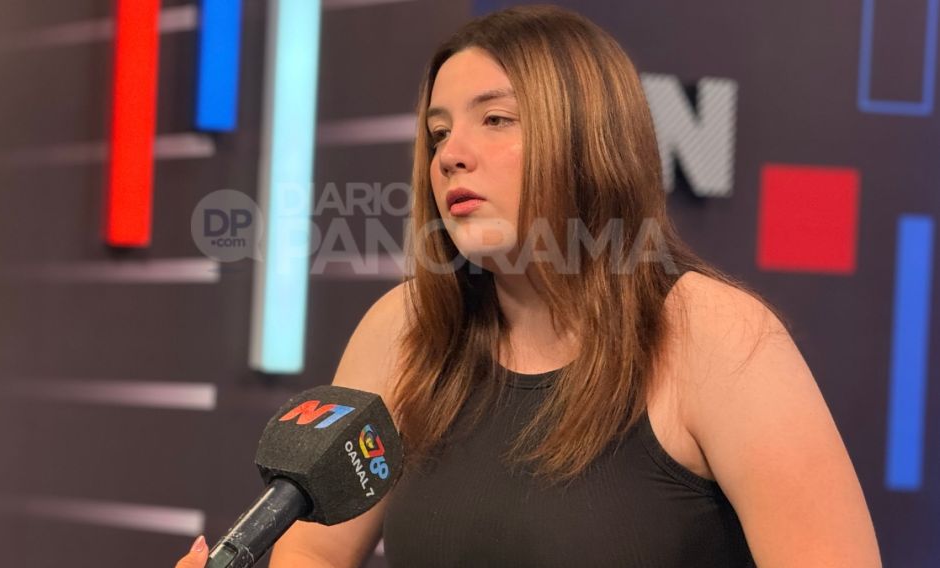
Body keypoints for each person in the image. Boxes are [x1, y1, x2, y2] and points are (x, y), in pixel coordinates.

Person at [177, 5, 882, 567]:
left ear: (587, 140)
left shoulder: (717, 336)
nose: (451, 155)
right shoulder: (403, 329)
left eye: (496, 119)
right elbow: (315, 554)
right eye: (439, 132)